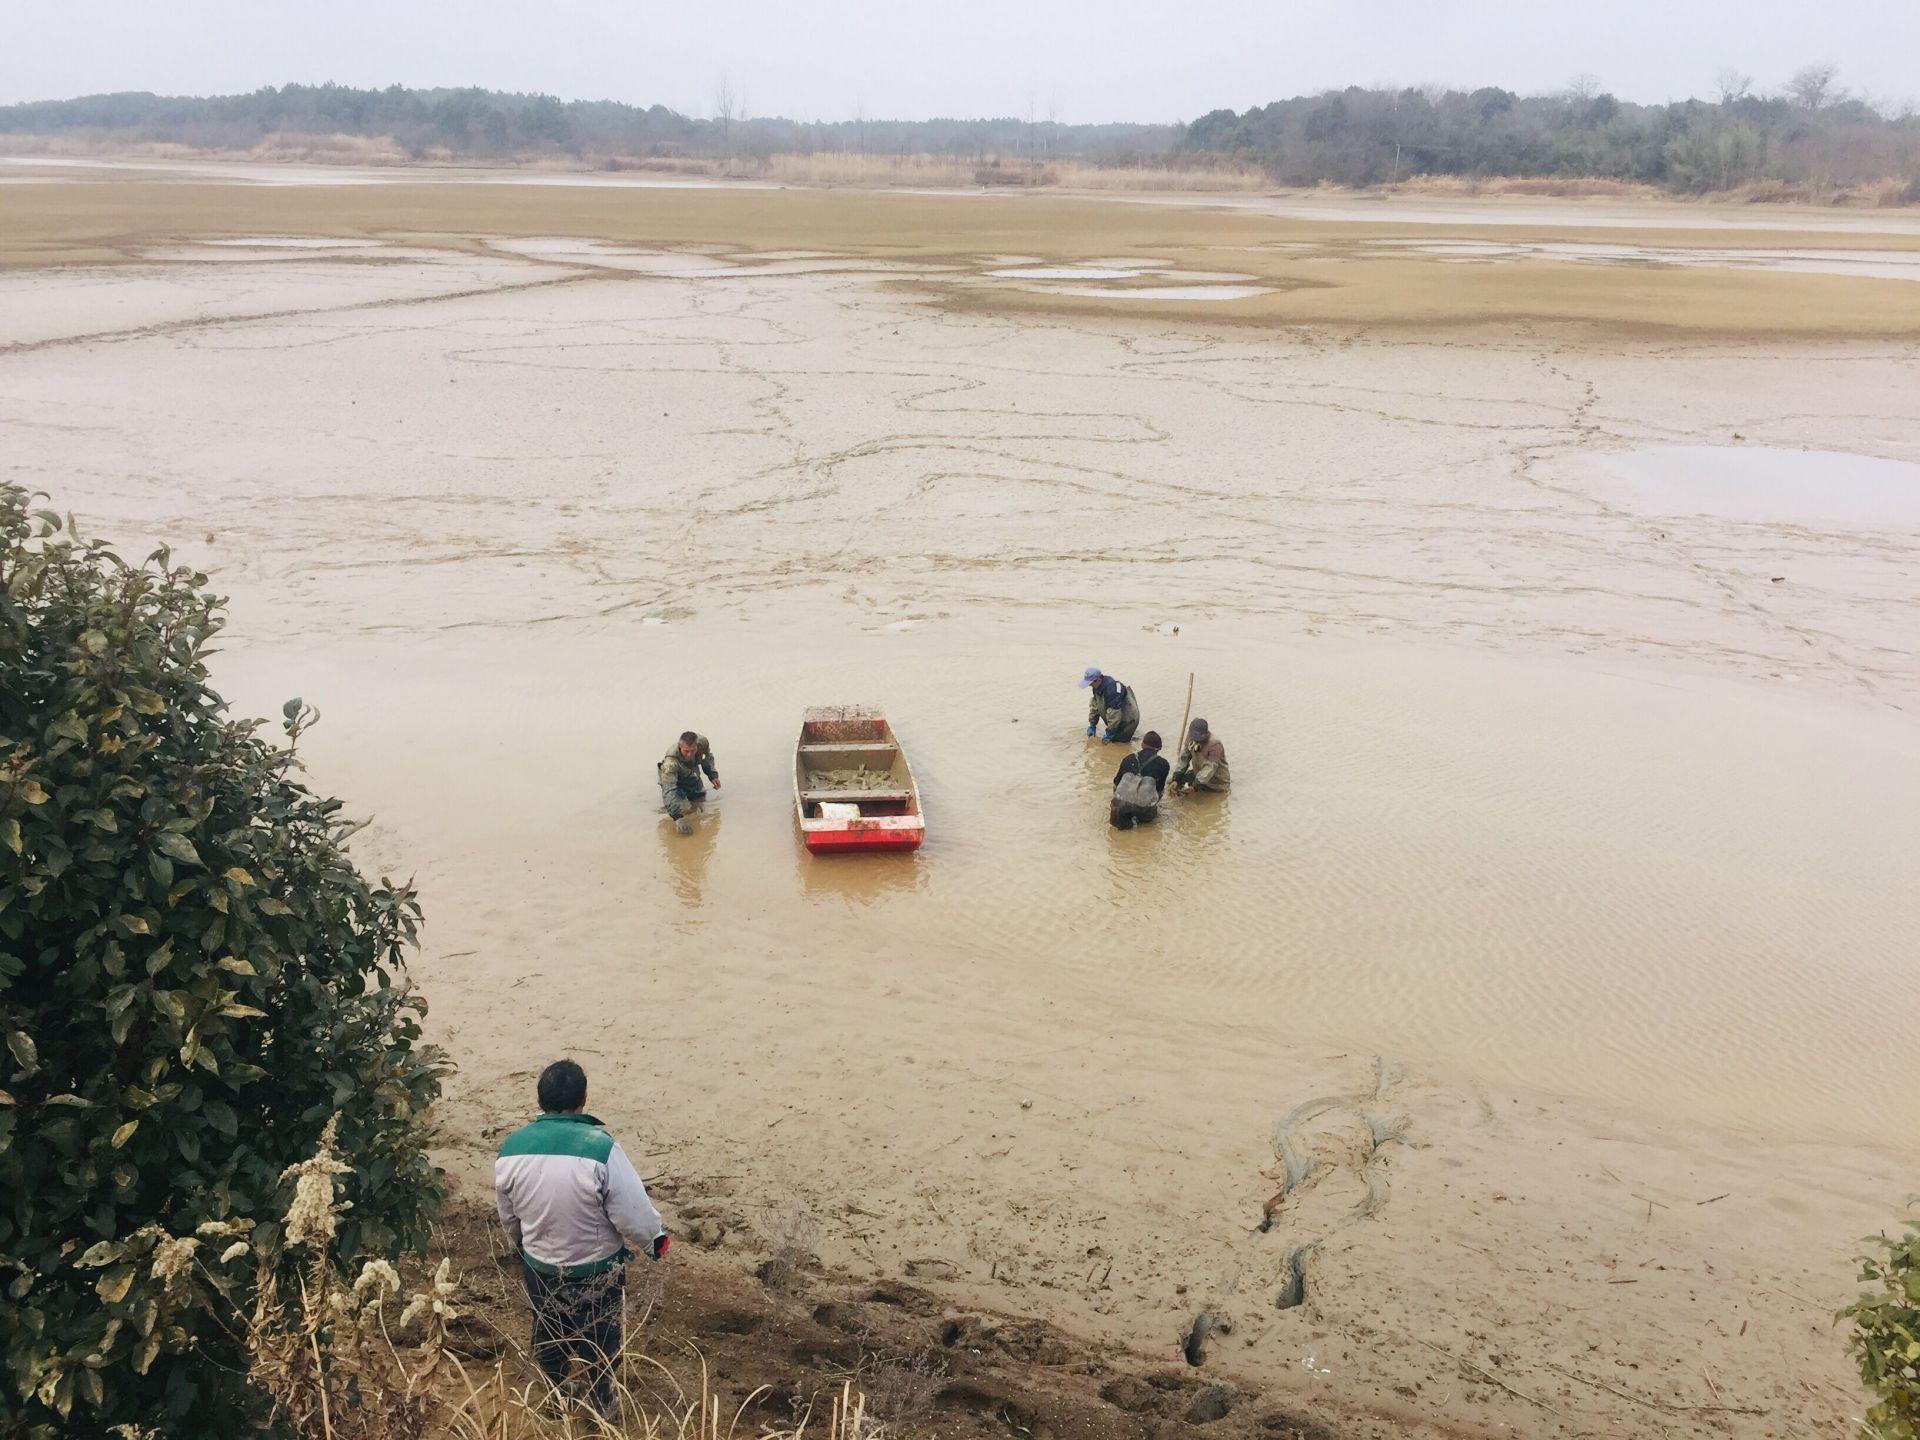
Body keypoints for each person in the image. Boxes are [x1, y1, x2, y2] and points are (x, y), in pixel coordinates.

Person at [494, 1060, 670, 1419]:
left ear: (540, 1099)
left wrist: (523, 1247)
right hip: (596, 1270)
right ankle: (604, 1400)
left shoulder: (512, 1149)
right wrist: (655, 1241)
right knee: (603, 1338)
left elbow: (508, 1215)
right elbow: (631, 1210)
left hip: (540, 1267)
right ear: (584, 1099)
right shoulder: (601, 1148)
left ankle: (556, 1395)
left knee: (549, 1330)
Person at [659, 730, 720, 832]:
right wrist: (677, 818)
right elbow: (669, 789)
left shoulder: (702, 743)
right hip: (673, 772)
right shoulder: (670, 763)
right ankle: (670, 809)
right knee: (683, 806)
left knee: (699, 796)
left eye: (693, 750)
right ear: (680, 746)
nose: (689, 754)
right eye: (686, 751)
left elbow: (707, 758)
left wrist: (712, 775)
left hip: (690, 769)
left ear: (697, 746)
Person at [1110, 730, 1170, 829]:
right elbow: (1159, 791)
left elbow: (1116, 784)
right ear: (1159, 749)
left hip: (1120, 808)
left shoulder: (1127, 759)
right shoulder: (1163, 764)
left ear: (1142, 745)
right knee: (1150, 823)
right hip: (1144, 809)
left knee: (1121, 831)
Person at [1079, 666, 1140, 743]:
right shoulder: (1096, 686)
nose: (1089, 685)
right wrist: (1092, 724)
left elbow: (1114, 716)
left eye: (1090, 683)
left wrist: (1109, 733)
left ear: (1098, 680)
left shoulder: (1112, 691)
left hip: (1128, 720)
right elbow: (1095, 706)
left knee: (1119, 745)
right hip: (1115, 716)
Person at [1173, 718, 1231, 793]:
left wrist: (1195, 786)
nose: (1195, 739)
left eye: (1198, 737)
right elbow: (1184, 758)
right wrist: (1177, 777)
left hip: (1216, 783)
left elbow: (1209, 768)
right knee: (1172, 784)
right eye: (1193, 736)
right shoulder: (1190, 736)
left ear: (1206, 733)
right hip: (1198, 773)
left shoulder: (1215, 745)